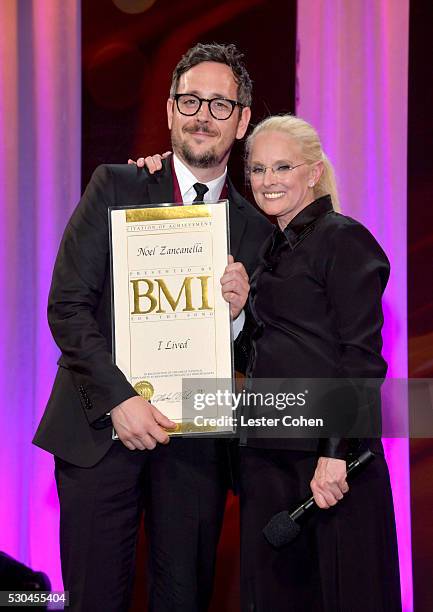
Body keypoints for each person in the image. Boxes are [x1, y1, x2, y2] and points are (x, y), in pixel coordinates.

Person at [33, 43, 272, 612]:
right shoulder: (114, 186)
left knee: (184, 599)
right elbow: (67, 304)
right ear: (168, 110)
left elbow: (270, 352)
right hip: (100, 431)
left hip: (196, 450)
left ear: (241, 122)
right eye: (190, 100)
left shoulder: (259, 232)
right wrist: (121, 399)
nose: (201, 115)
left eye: (220, 105)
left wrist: (239, 318)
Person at [236, 115, 402, 611]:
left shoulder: (343, 239)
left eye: (282, 167)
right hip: (269, 458)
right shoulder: (266, 253)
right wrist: (239, 315)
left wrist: (335, 452)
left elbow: (361, 357)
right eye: (259, 169)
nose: (268, 181)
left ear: (312, 172)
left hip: (330, 466)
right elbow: (265, 354)